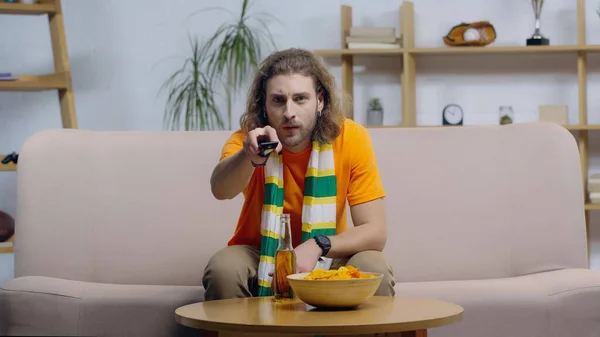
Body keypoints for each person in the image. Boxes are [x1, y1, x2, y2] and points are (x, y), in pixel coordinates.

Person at [203, 47, 395, 301]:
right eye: (278, 100)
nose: (289, 112)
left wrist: (318, 245)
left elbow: (375, 232)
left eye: (300, 99)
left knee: (375, 266)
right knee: (223, 269)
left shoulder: (351, 138)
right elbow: (220, 189)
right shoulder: (248, 140)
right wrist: (249, 156)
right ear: (264, 105)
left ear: (320, 101)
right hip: (260, 251)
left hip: (328, 250)